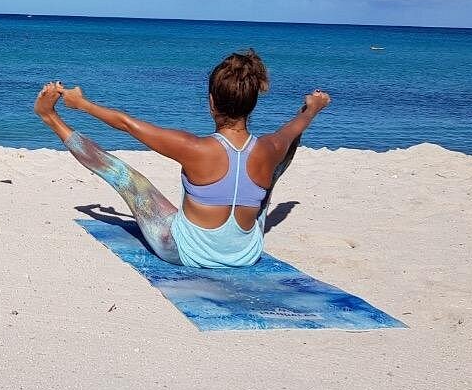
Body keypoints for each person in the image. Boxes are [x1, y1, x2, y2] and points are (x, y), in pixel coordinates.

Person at [33, 49, 330, 267]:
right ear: (252, 103)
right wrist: (313, 107)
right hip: (245, 255)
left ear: (211, 101)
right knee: (282, 153)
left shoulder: (194, 147)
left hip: (186, 253)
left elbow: (126, 124)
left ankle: (50, 117)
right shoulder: (269, 146)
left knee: (125, 176)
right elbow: (297, 125)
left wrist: (81, 103)